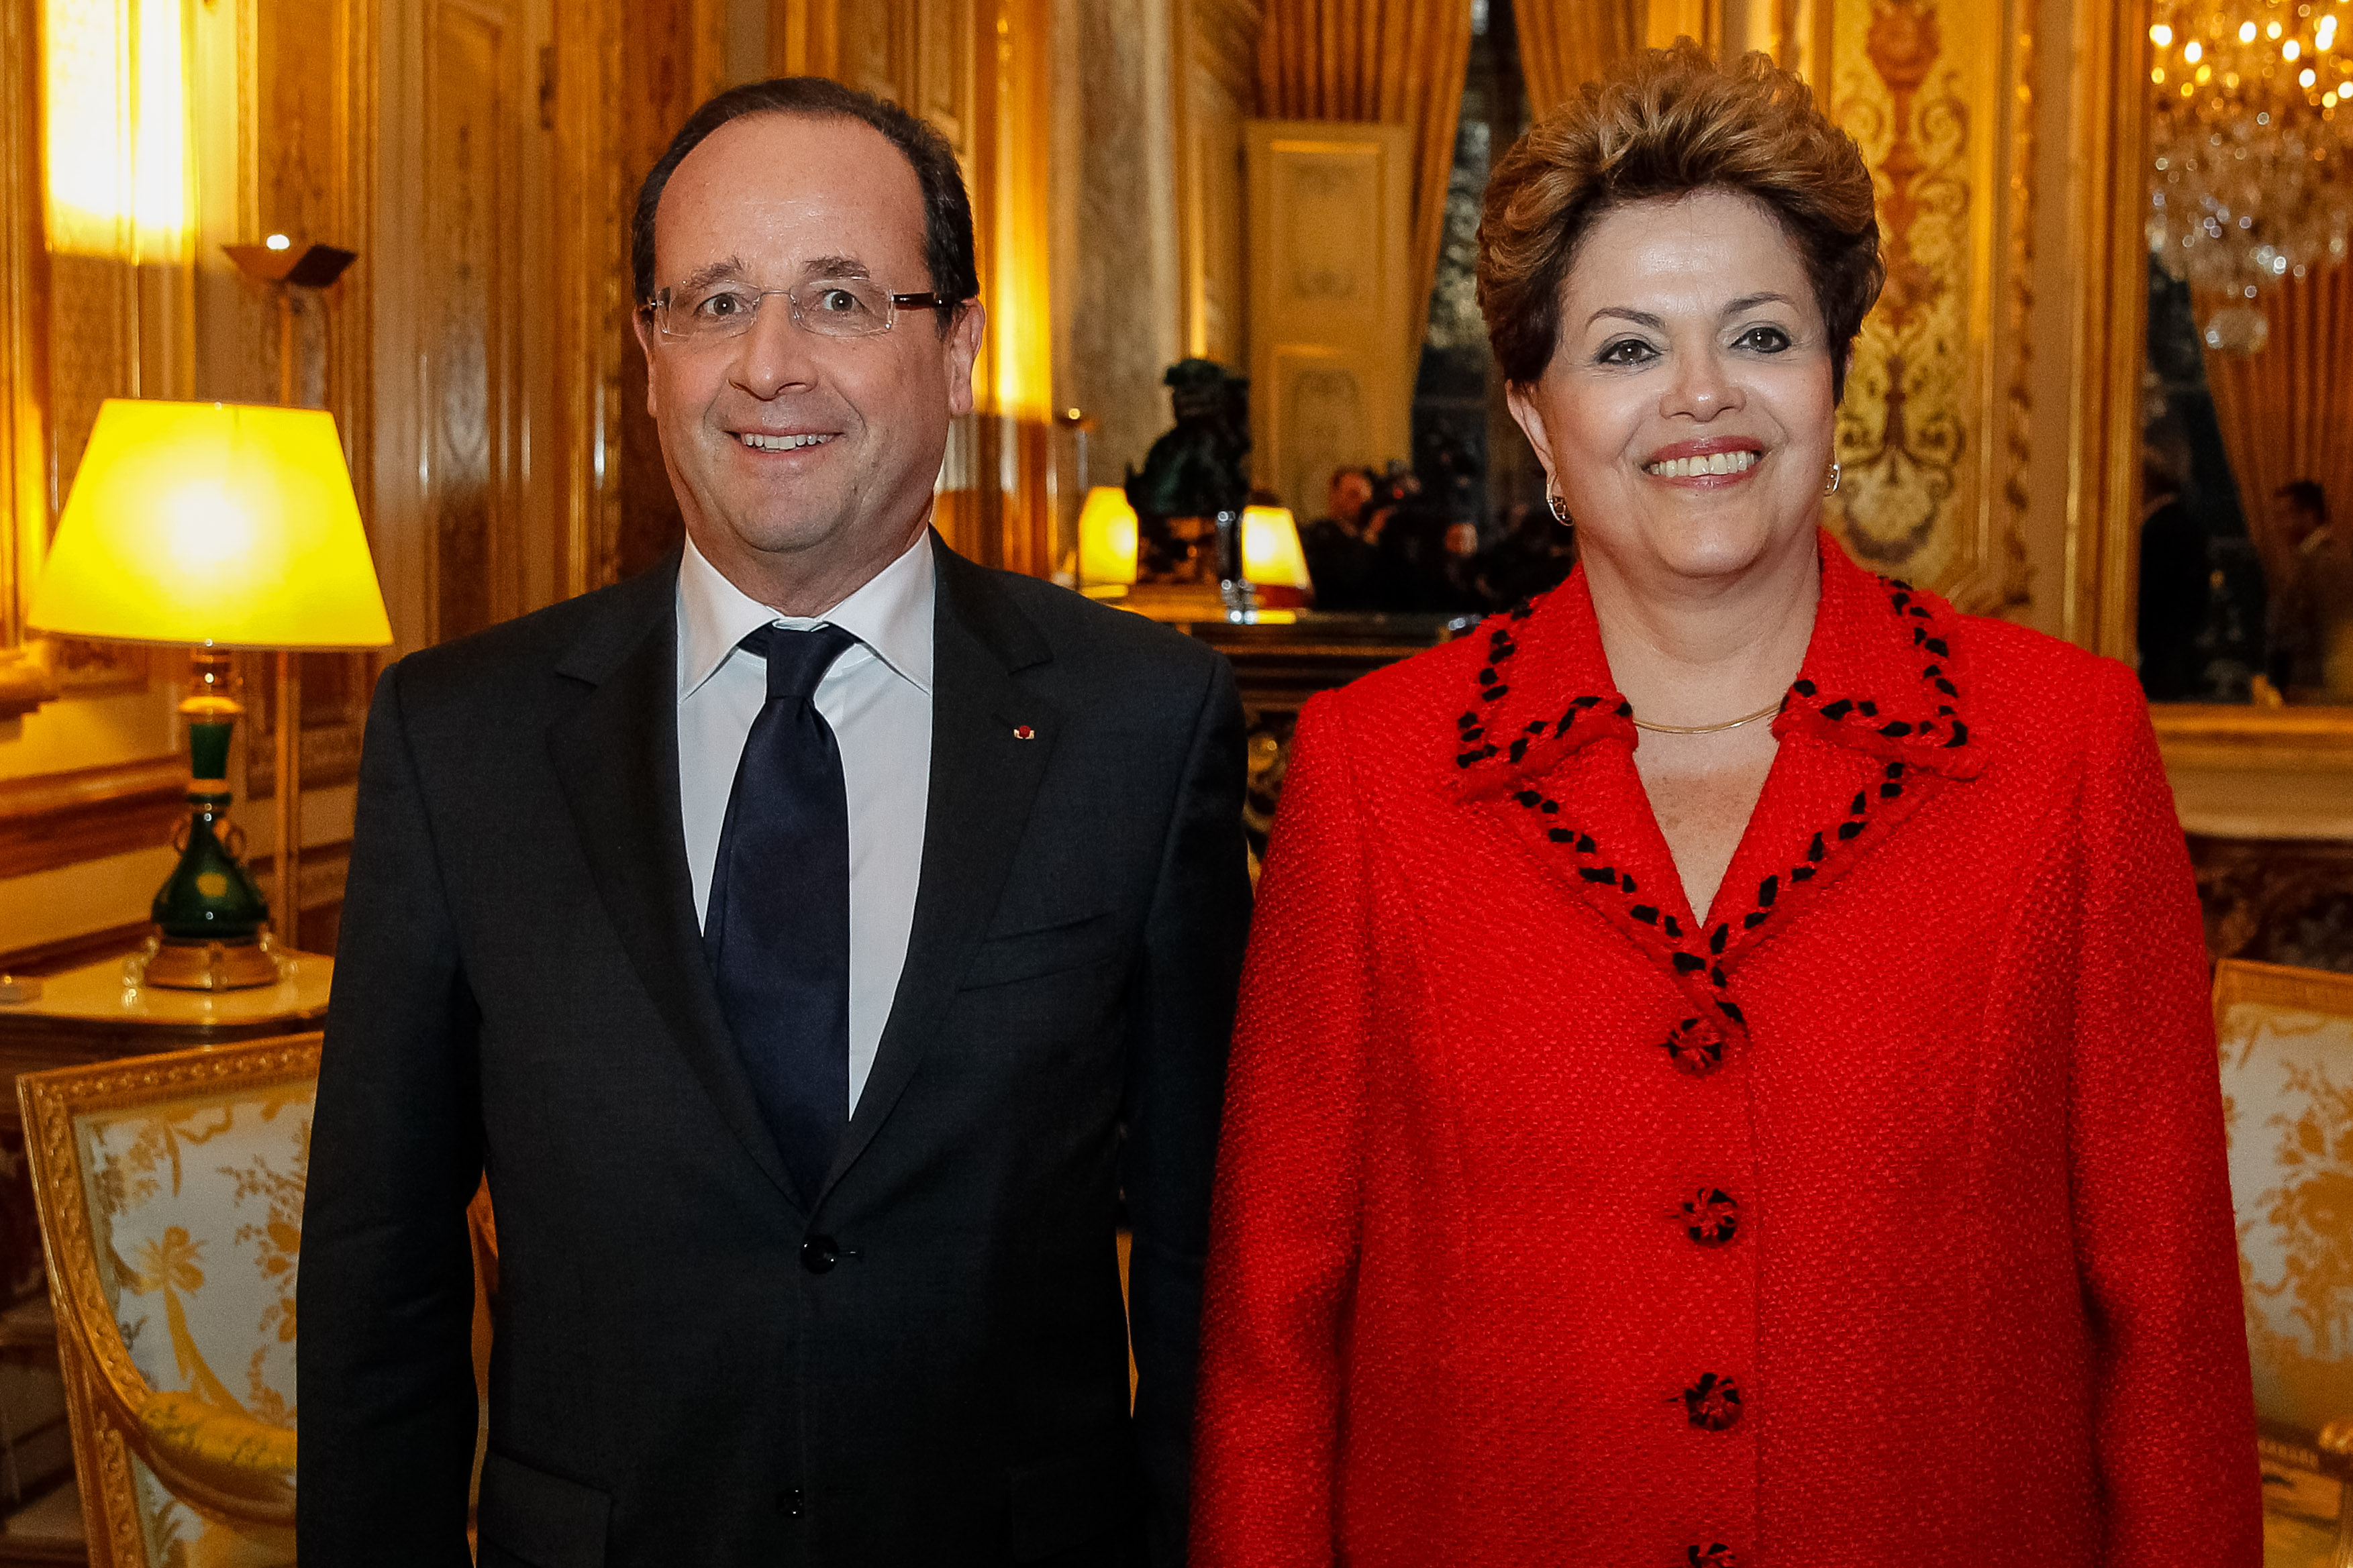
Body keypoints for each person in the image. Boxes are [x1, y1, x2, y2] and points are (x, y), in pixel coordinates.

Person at [1191, 43, 2257, 1568]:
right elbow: (1269, 1338)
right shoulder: (1372, 776)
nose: (1700, 393)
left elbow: (2165, 1324)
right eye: (1624, 348)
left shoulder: (2059, 750)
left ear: (1830, 371)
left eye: (1756, 332)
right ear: (1535, 416)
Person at [299, 78, 1248, 1568]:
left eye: (841, 299)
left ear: (955, 344)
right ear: (647, 348)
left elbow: (1209, 1266)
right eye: (715, 300)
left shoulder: (1141, 725)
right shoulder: (459, 738)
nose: (768, 364)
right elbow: (378, 1277)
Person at [2136, 441, 2209, 700]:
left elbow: (2149, 595)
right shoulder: (2186, 522)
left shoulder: (2159, 529)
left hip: (2162, 656)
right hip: (2179, 652)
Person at [2271, 479, 2353, 698]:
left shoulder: (2328, 562)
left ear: (2309, 515)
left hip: (2318, 689)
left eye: (2286, 515)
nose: (2281, 525)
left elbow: (2336, 631)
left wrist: (2318, 691)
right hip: (2305, 684)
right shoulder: (2308, 559)